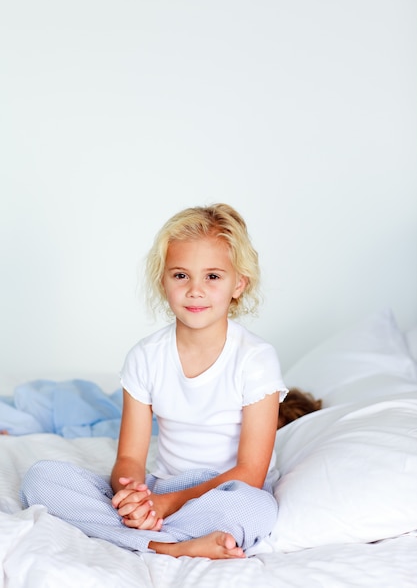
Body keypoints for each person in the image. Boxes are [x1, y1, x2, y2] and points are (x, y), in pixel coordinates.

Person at [20, 203, 288, 560]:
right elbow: (130, 457)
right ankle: (173, 546)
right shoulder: (145, 356)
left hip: (226, 492)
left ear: (238, 284)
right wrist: (134, 497)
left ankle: (147, 540)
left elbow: (251, 473)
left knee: (256, 509)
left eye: (212, 276)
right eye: (181, 275)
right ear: (163, 282)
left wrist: (167, 505)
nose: (195, 290)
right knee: (41, 478)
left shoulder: (255, 358)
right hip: (164, 486)